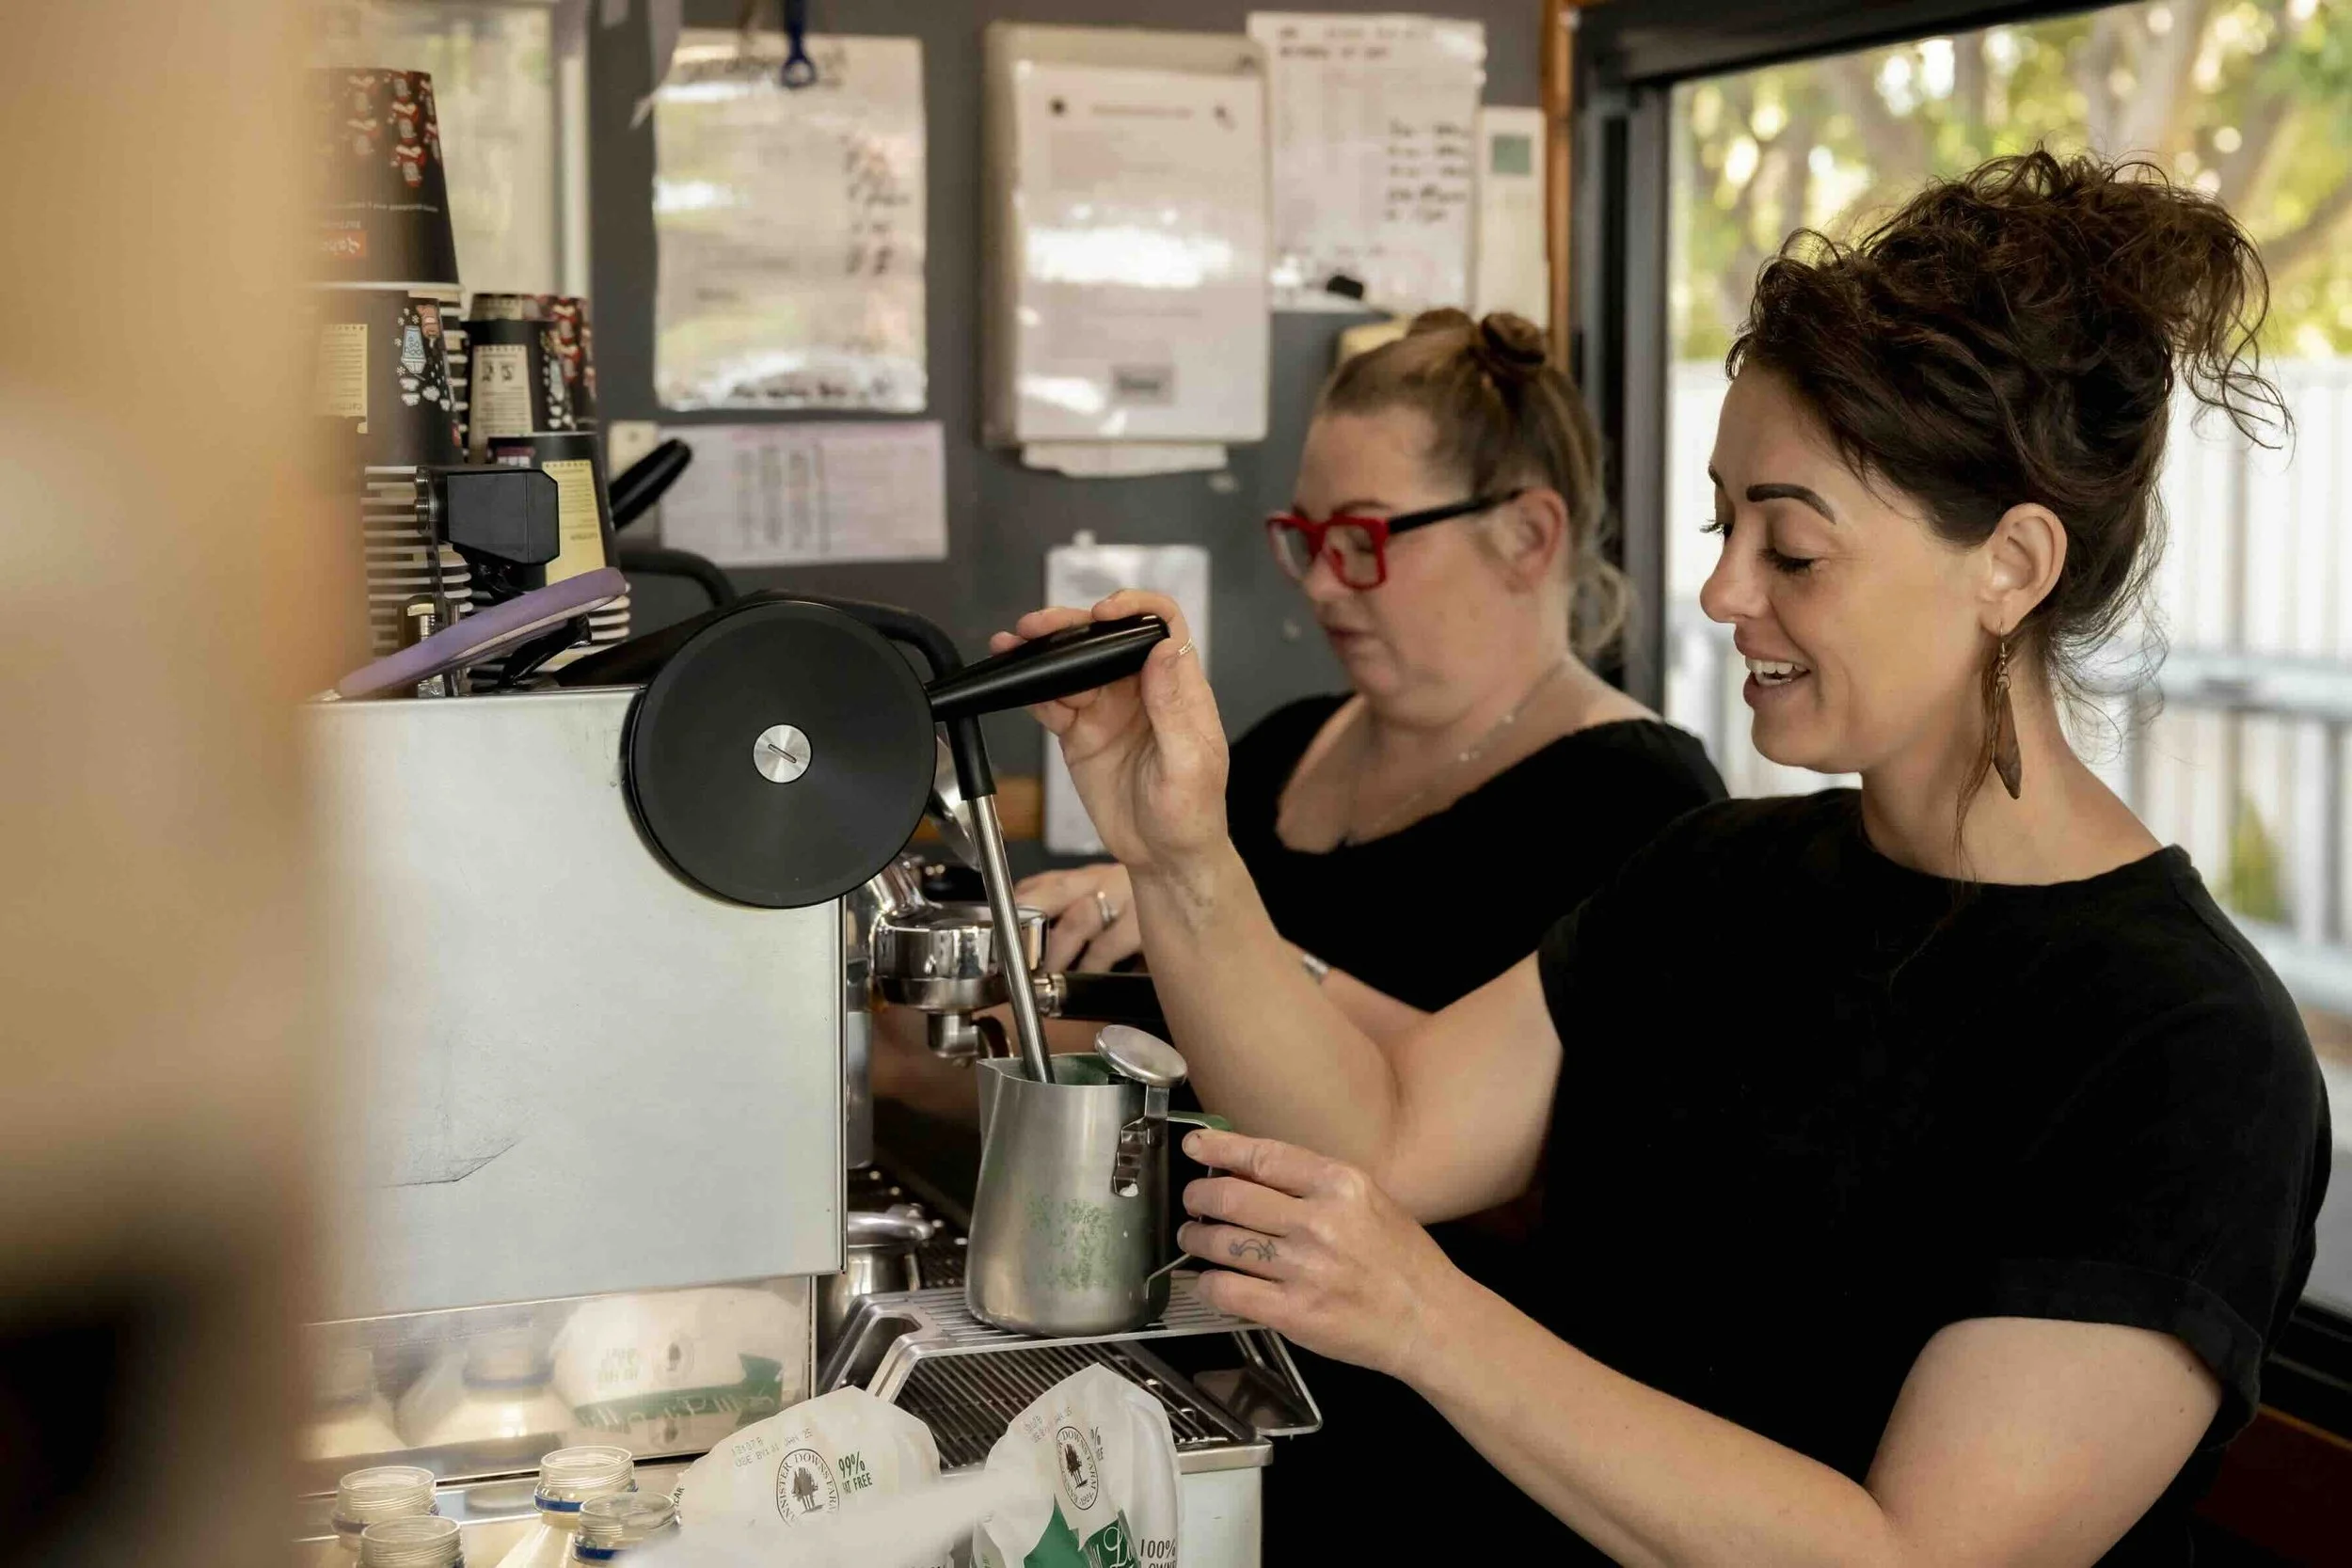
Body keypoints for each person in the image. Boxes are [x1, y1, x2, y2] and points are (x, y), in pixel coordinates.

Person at [1004, 151, 2331, 1564]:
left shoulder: (2185, 1049)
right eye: (1723, 524)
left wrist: (1427, 1316)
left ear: (2010, 563)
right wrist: (1180, 852)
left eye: (1793, 550)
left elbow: (1909, 1553)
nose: (1720, 591)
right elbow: (1378, 1127)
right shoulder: (1714, 875)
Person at [878, 310, 1725, 1546]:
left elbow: (1528, 1177)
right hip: (1209, 1384)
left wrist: (1192, 899)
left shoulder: (1638, 807)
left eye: (1363, 539)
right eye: (1305, 539)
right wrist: (955, 1036)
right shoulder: (1280, 749)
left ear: (1529, 534)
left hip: (1442, 1451)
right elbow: (1163, 1056)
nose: (1325, 583)